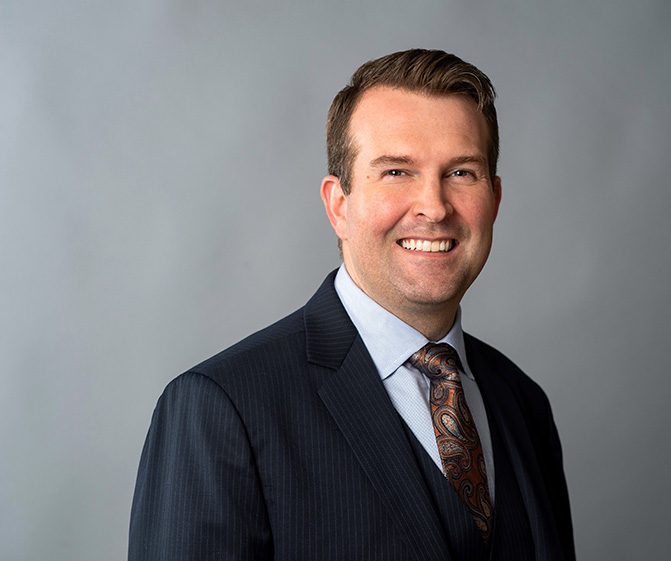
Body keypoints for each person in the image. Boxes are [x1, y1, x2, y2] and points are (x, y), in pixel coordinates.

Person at [129, 48, 575, 561]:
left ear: (494, 199)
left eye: (461, 173)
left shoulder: (523, 403)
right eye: (396, 172)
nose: (433, 206)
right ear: (338, 205)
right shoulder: (220, 409)